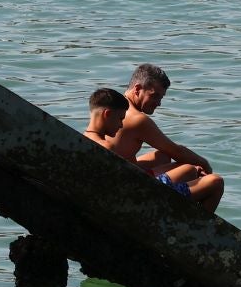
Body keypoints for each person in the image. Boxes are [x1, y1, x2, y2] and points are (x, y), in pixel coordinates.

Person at [83, 85, 224, 212]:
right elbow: (131, 186)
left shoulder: (85, 139)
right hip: (147, 197)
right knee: (215, 182)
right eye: (120, 119)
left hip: (132, 192)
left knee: (187, 169)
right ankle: (197, 227)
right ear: (107, 114)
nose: (121, 125)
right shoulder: (107, 147)